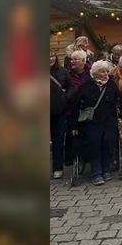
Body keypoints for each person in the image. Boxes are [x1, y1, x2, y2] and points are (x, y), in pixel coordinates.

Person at [69, 61, 122, 186]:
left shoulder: (111, 85)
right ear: (95, 73)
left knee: (108, 143)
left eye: (107, 71)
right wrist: (73, 125)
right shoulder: (85, 87)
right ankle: (96, 173)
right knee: (94, 144)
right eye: (103, 71)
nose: (106, 73)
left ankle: (106, 170)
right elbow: (75, 107)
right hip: (91, 123)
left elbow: (120, 101)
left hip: (108, 121)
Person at [63, 50, 89, 169]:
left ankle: (85, 157)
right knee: (71, 134)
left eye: (75, 59)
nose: (72, 61)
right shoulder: (66, 73)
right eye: (71, 59)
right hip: (71, 108)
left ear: (83, 61)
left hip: (87, 109)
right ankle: (70, 158)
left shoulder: (91, 72)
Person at [50, 50, 73, 178]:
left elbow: (70, 86)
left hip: (59, 111)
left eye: (53, 56)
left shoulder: (62, 71)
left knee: (58, 140)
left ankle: (57, 167)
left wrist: (66, 98)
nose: (51, 59)